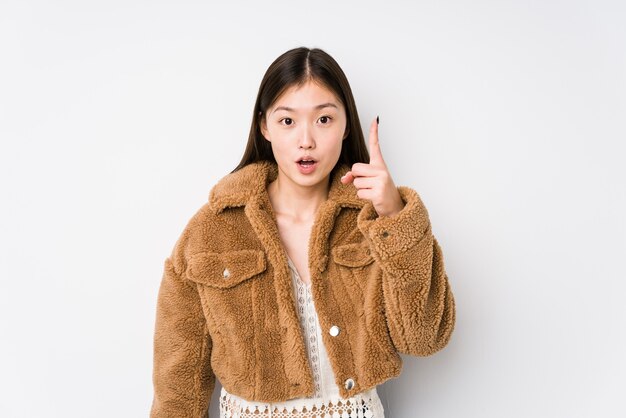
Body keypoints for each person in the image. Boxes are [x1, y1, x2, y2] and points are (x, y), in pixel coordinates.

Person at [150, 46, 456, 418]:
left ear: (346, 126)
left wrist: (394, 216)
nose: (306, 140)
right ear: (264, 126)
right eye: (288, 121)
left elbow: (424, 338)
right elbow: (177, 386)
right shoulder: (212, 231)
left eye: (324, 119)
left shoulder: (376, 223)